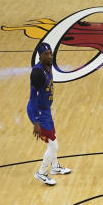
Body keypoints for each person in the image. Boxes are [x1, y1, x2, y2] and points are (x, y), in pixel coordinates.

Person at [27, 43, 71, 187]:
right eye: (46, 54)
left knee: (53, 138)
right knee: (53, 146)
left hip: (45, 110)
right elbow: (33, 98)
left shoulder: (49, 65)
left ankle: (55, 167)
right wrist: (36, 121)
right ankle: (41, 173)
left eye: (51, 53)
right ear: (40, 56)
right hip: (38, 113)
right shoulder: (37, 73)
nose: (50, 56)